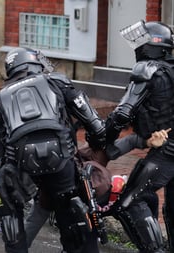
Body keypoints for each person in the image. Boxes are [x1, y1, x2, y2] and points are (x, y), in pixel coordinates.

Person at [0, 47, 106, 253]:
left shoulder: (0, 99)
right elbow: (95, 124)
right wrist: (96, 143)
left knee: (10, 211)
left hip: (23, 166)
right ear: (35, 64)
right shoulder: (57, 81)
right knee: (73, 218)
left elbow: (2, 149)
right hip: (61, 162)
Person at [24, 128, 171, 249]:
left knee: (142, 198)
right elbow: (30, 228)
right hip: (77, 218)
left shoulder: (86, 158)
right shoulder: (46, 193)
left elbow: (125, 142)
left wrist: (148, 141)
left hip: (97, 203)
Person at [105, 20, 174, 253]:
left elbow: (123, 113)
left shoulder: (147, 69)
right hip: (165, 145)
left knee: (130, 201)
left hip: (166, 151)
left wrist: (103, 140)